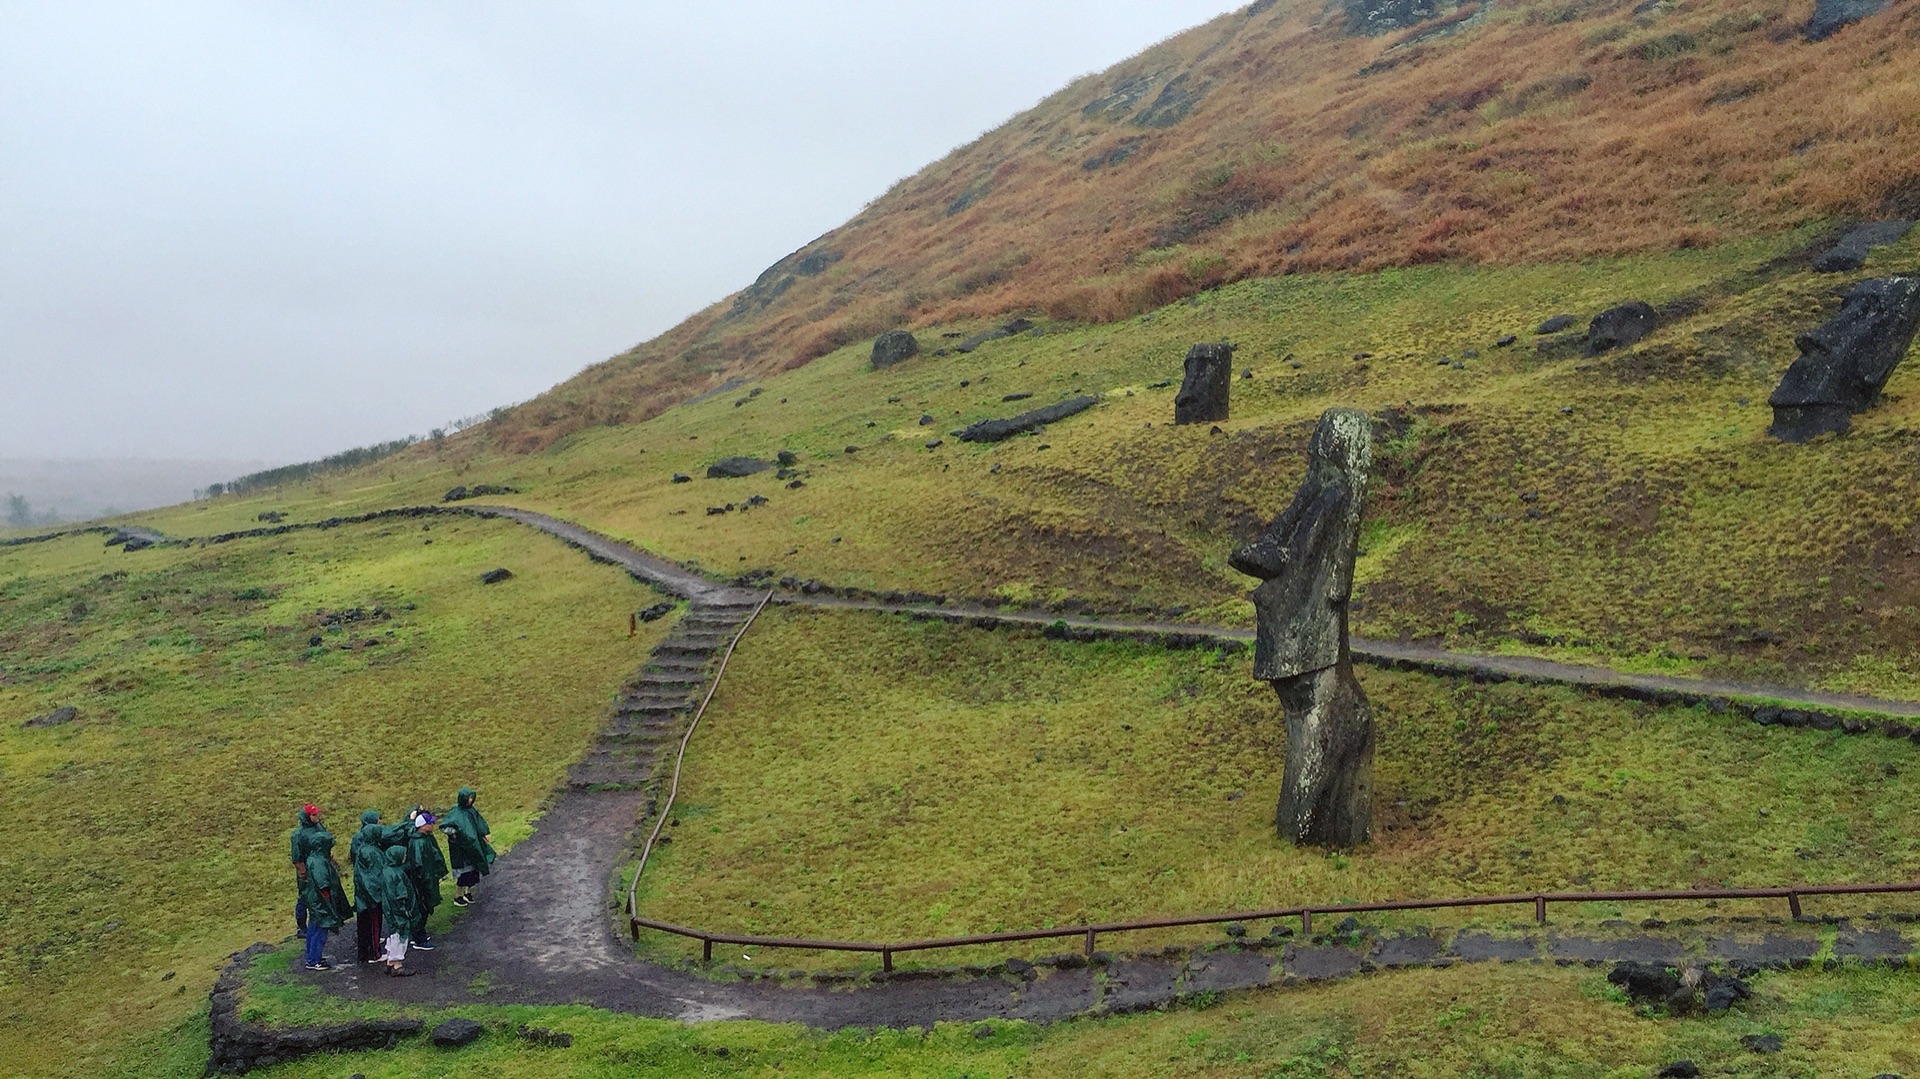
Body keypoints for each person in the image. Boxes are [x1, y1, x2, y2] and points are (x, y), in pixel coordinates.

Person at [295, 832, 353, 970]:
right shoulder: (319, 862)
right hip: (321, 902)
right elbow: (323, 883)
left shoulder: (313, 858)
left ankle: (311, 957)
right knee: (320, 930)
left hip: (315, 900)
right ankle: (315, 960)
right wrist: (329, 902)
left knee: (313, 928)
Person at [349, 809, 400, 964]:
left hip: (363, 895)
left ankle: (366, 952)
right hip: (371, 897)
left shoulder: (364, 848)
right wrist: (379, 894)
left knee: (365, 925)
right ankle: (374, 953)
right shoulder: (372, 852)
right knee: (373, 925)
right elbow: (376, 875)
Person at [439, 787, 495, 907]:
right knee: (464, 872)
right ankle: (458, 895)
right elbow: (444, 826)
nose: (470, 800)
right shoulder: (455, 812)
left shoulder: (471, 810)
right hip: (461, 848)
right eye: (468, 798)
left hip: (474, 845)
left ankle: (468, 893)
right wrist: (454, 833)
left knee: (474, 869)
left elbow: (479, 822)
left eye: (471, 797)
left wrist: (485, 832)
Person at [403, 808, 448, 951]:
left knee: (422, 910)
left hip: (424, 881)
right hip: (422, 884)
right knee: (422, 910)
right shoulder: (418, 843)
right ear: (423, 826)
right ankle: (419, 939)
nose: (433, 825)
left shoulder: (422, 839)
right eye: (430, 823)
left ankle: (418, 935)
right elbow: (419, 866)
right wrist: (427, 882)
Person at [378, 844, 421, 976]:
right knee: (401, 936)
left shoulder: (386, 871)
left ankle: (390, 962)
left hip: (390, 910)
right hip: (398, 911)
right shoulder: (397, 873)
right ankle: (397, 965)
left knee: (393, 935)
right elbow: (400, 894)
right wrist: (405, 910)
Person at [289, 803, 330, 933]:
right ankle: (301, 927)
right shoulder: (298, 835)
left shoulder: (319, 827)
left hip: (320, 868)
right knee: (304, 897)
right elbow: (296, 858)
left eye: (317, 813)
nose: (317, 816)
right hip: (307, 871)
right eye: (313, 814)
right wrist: (304, 875)